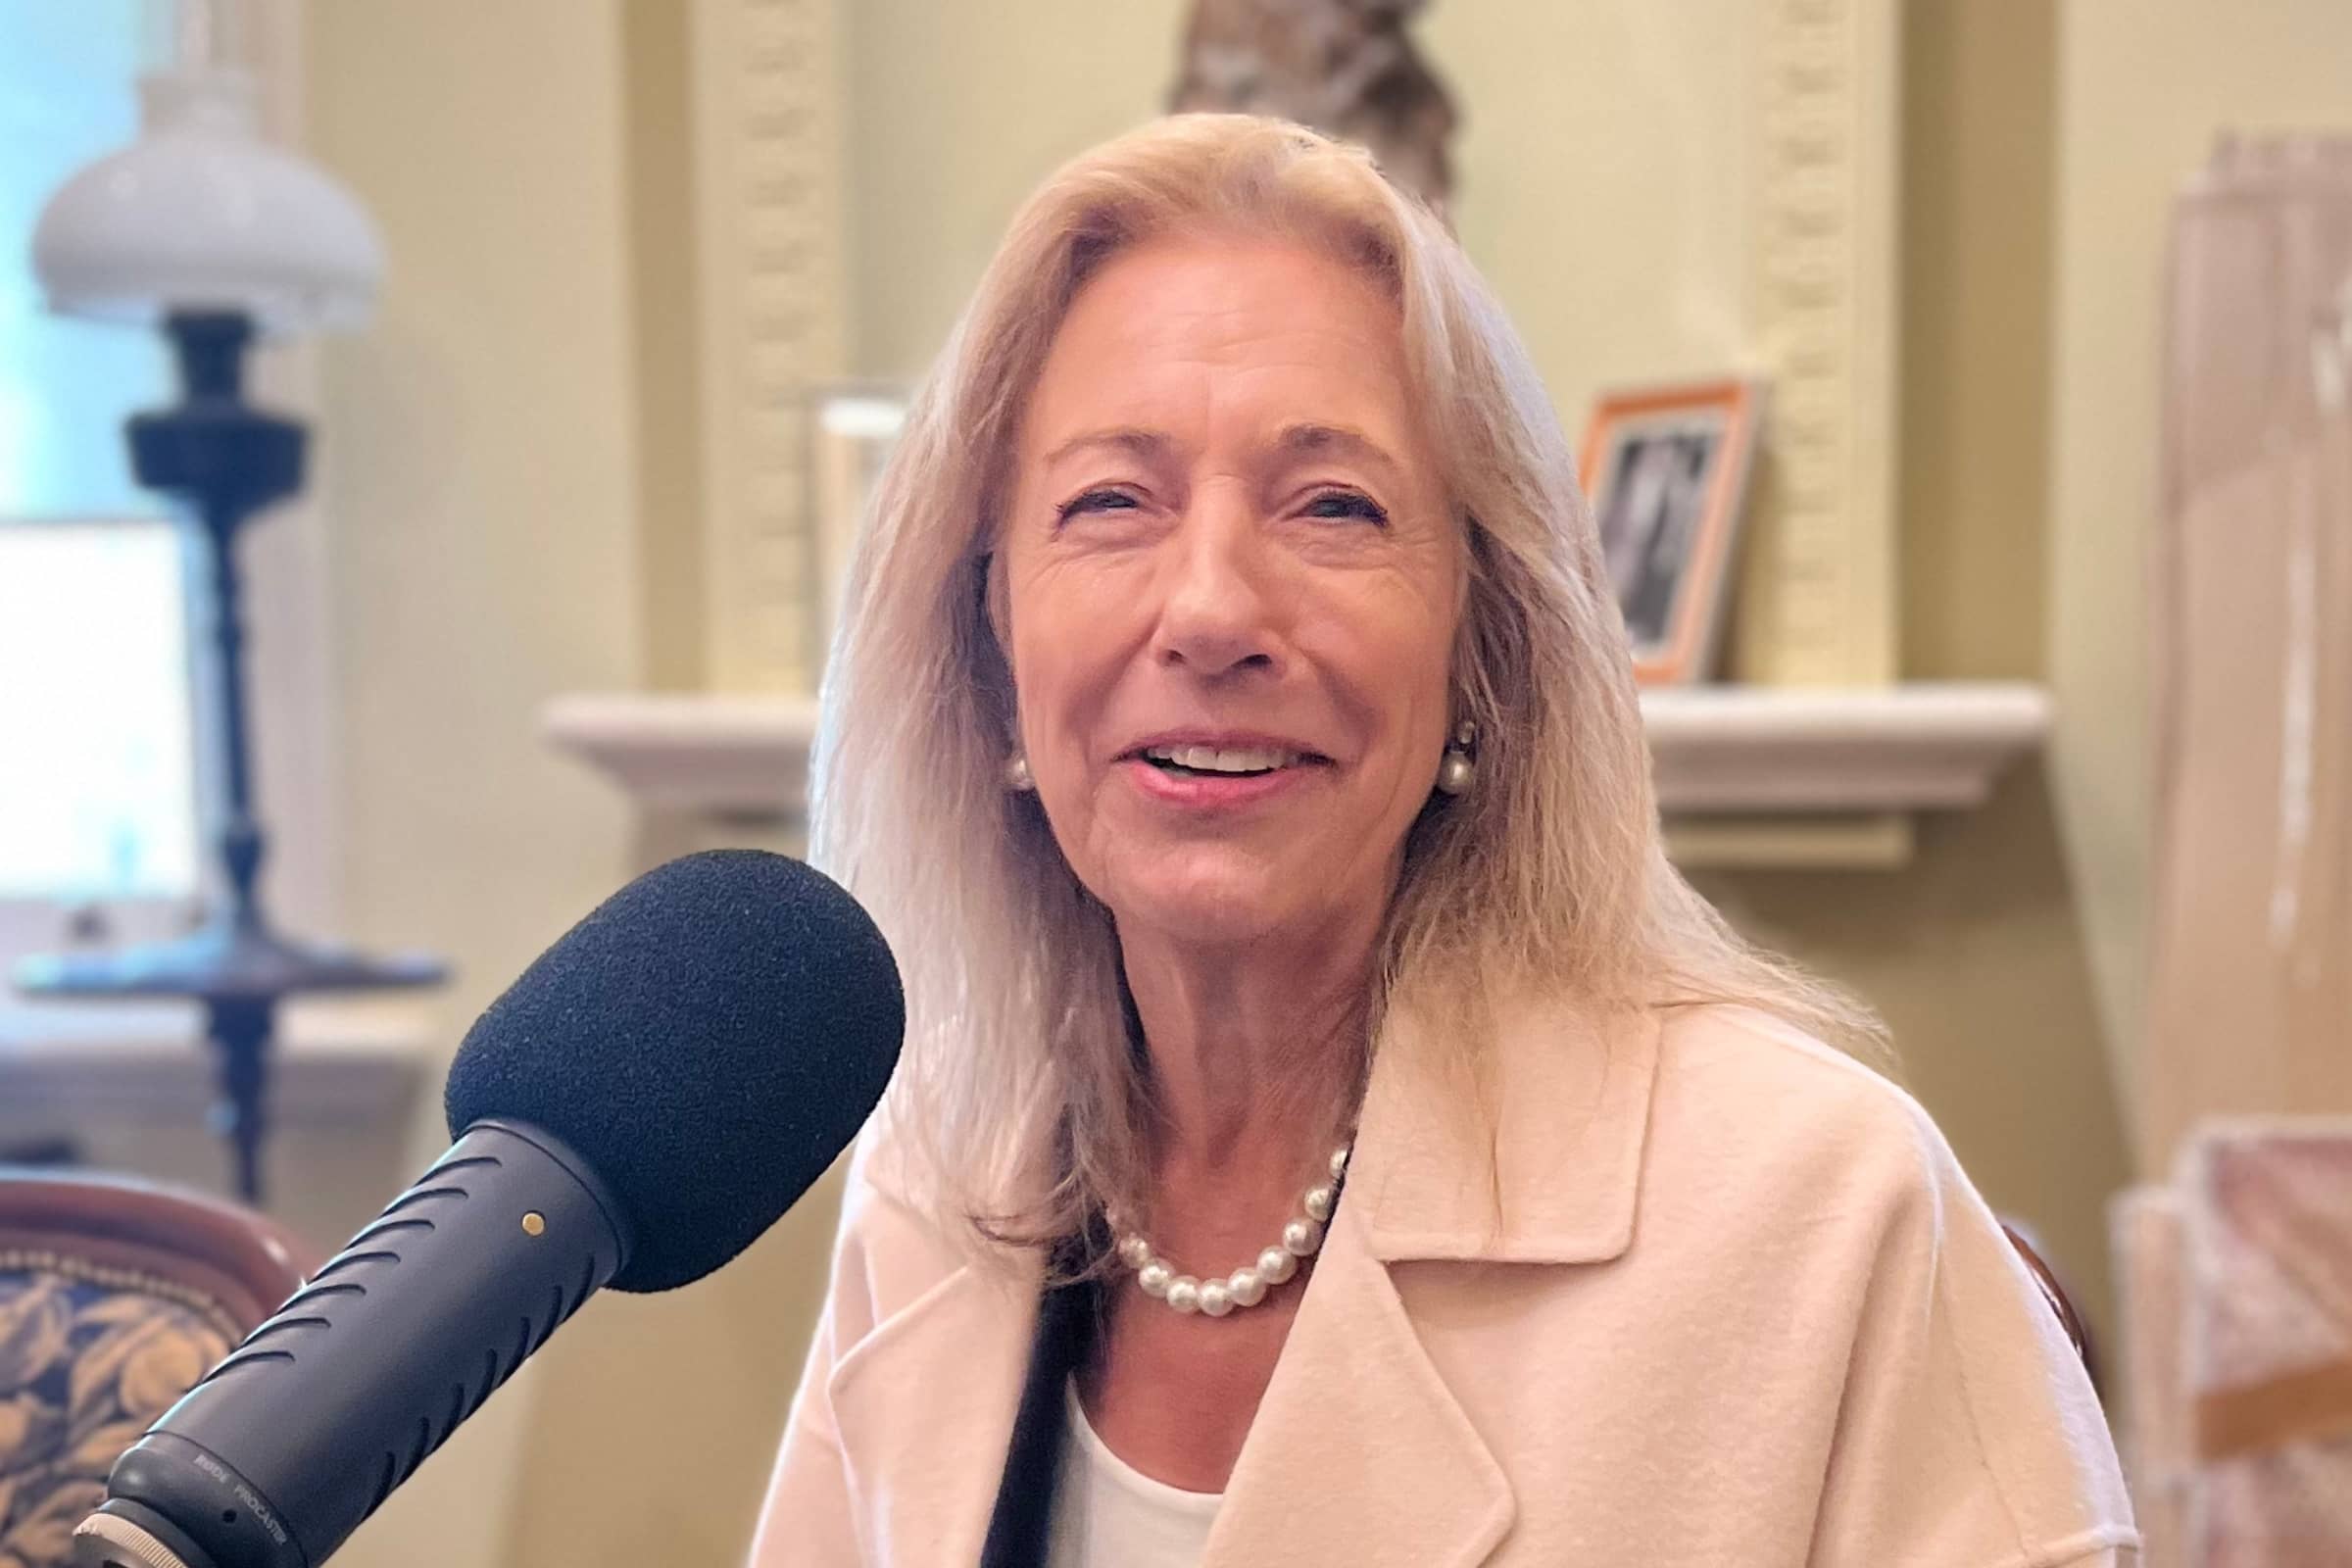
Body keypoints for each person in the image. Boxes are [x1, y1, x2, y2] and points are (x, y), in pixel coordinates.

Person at [752, 114, 2134, 1566]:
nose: (1212, 610)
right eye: (1112, 502)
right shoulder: (935, 1172)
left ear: (1485, 649)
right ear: (988, 644)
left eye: (1334, 505)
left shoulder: (1822, 1207)